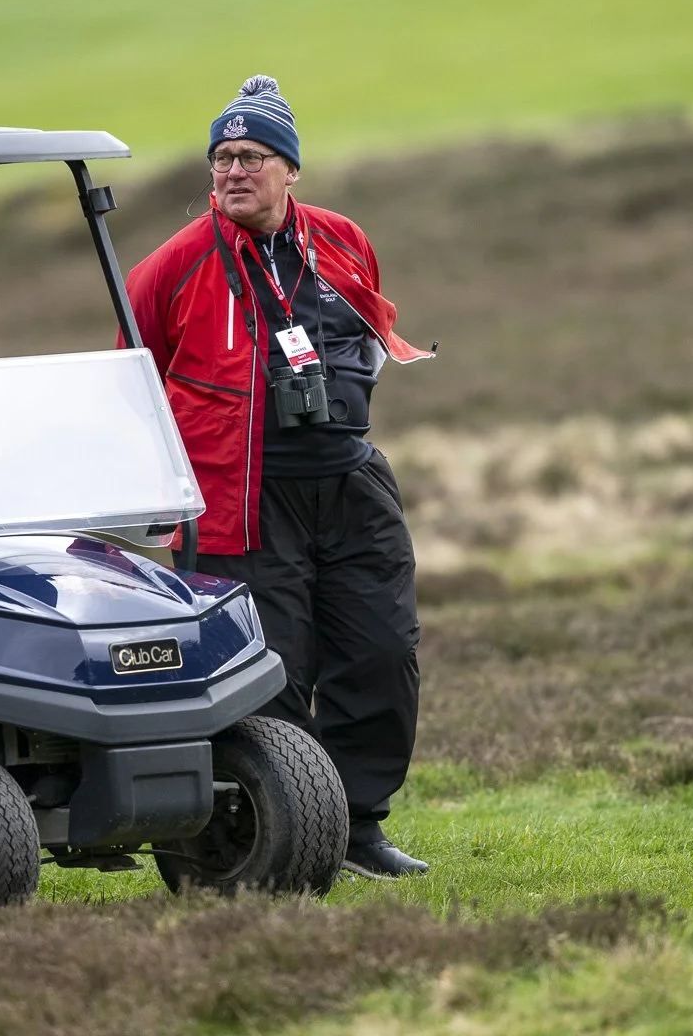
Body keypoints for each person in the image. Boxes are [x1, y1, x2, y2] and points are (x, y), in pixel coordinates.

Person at [125, 75, 433, 878]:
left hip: (349, 485)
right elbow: (134, 385)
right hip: (240, 500)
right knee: (273, 676)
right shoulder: (170, 270)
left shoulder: (342, 239)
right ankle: (284, 835)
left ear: (290, 169)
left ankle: (358, 826)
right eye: (221, 158)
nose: (233, 172)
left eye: (252, 157)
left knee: (381, 654)